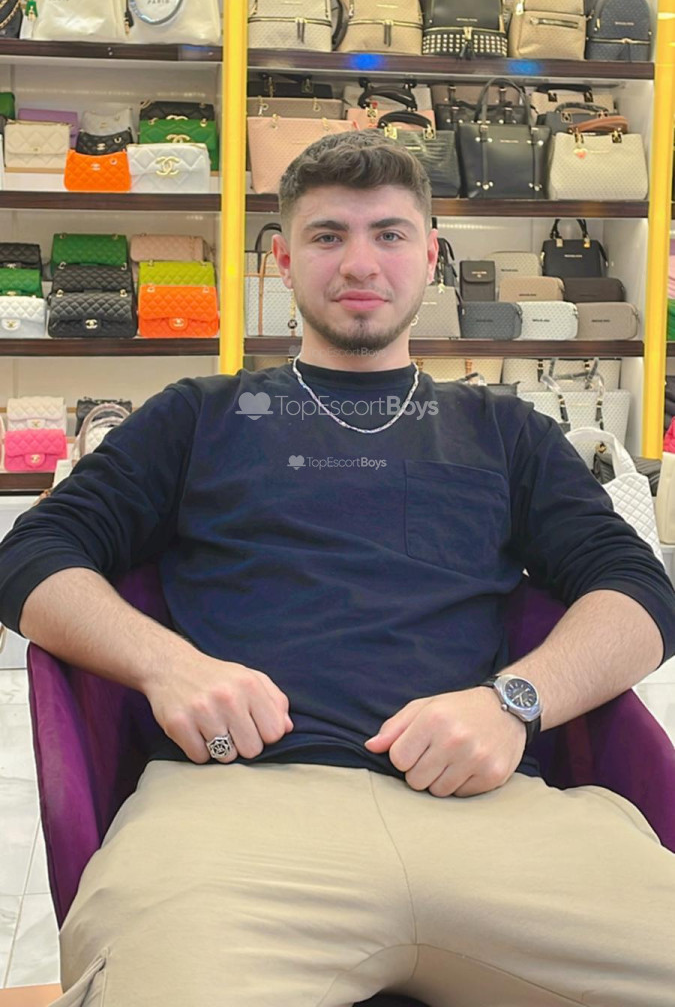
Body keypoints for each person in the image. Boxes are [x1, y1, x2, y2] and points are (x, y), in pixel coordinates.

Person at [0, 131, 674, 1007]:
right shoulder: (199, 416)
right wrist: (167, 665)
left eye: (389, 234)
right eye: (327, 236)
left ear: (429, 257)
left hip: (498, 814)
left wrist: (514, 701)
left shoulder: (505, 431)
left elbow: (637, 591)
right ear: (283, 260)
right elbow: (34, 554)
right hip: (236, 827)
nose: (360, 263)